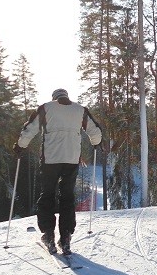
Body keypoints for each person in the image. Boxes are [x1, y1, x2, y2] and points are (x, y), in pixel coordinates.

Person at [13, 88, 103, 255]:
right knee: (67, 196)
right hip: (71, 160)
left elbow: (30, 129)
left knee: (47, 195)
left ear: (54, 98)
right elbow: (95, 130)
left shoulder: (46, 108)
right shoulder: (80, 110)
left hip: (50, 160)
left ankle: (48, 235)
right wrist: (96, 142)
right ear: (67, 97)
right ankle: (66, 237)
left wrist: (20, 146)